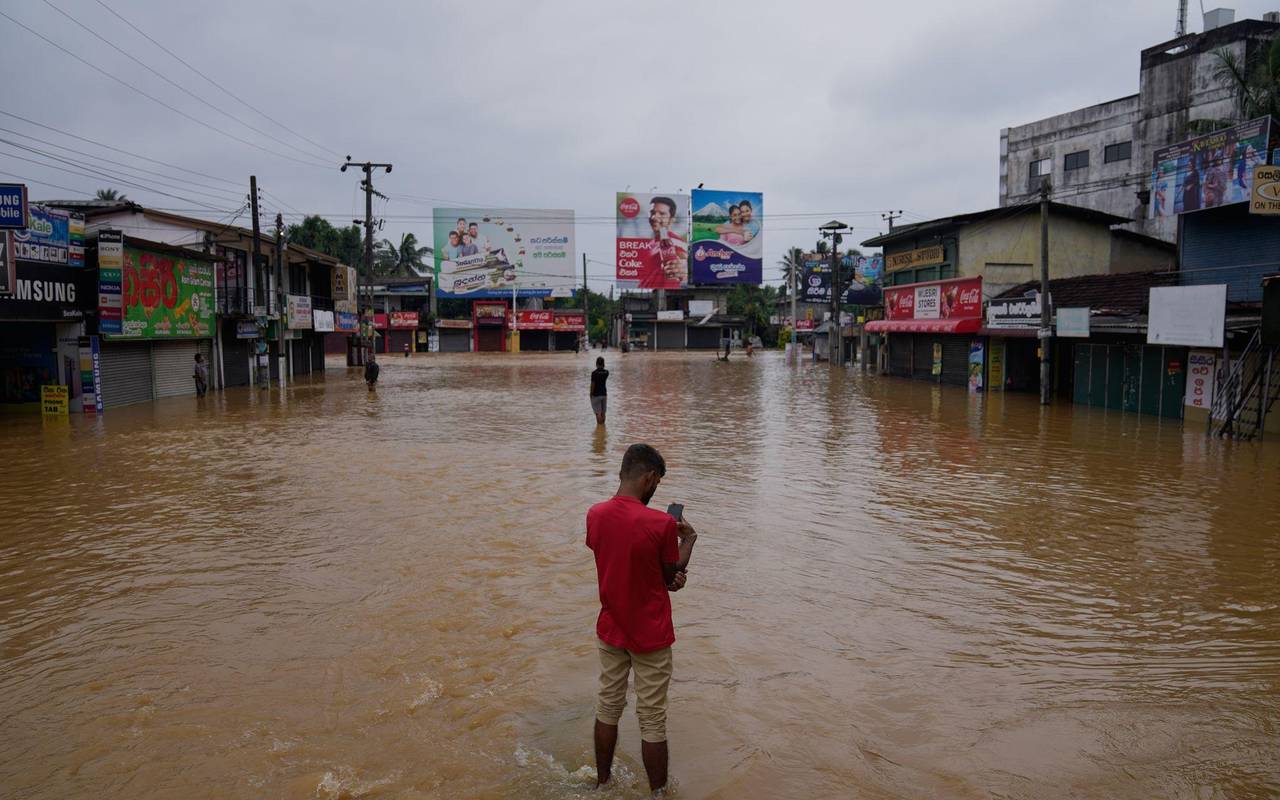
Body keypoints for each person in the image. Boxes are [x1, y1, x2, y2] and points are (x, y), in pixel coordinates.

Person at [586, 444, 698, 794]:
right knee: (652, 720)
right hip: (650, 634)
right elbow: (668, 575)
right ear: (649, 477)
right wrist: (689, 540)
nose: (655, 490)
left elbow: (616, 559)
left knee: (608, 707)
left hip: (611, 628)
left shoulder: (595, 514)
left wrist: (665, 575)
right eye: (657, 483)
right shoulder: (661, 523)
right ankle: (658, 794)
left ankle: (602, 784)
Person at [636, 197, 687, 290]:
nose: (654, 217)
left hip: (668, 294)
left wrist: (683, 271)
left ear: (672, 219)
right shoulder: (651, 244)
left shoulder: (675, 242)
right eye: (652, 213)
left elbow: (686, 269)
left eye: (662, 214)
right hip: (650, 293)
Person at [590, 356, 608, 425]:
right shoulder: (606, 372)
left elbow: (593, 385)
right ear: (603, 364)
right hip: (604, 394)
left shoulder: (594, 373)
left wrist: (591, 394)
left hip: (596, 395)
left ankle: (599, 427)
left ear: (596, 363)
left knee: (598, 413)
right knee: (603, 412)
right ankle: (603, 426)